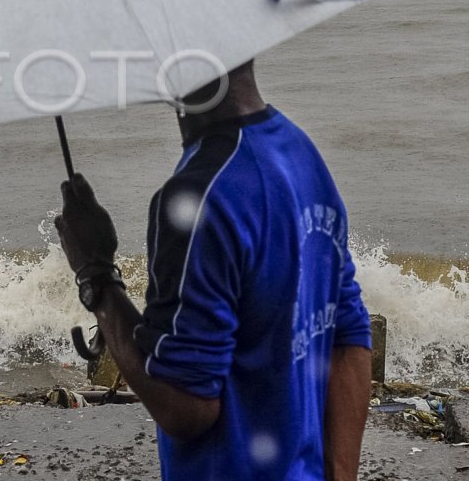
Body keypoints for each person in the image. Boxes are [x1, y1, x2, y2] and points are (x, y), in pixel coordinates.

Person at [55, 60, 372, 481]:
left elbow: (187, 407)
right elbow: (348, 335)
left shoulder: (198, 198)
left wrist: (96, 276)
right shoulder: (299, 152)